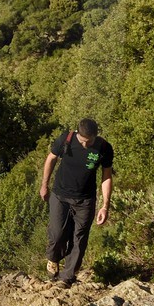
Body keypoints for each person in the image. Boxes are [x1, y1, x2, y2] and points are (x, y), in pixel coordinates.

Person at [38, 118, 113, 288]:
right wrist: (44, 185)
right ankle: (54, 258)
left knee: (79, 239)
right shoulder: (67, 139)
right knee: (57, 234)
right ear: (78, 134)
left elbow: (106, 176)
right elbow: (50, 159)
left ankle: (66, 278)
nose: (86, 144)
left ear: (95, 136)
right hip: (60, 195)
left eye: (90, 141)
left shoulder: (104, 148)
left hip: (85, 199)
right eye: (83, 141)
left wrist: (105, 205)